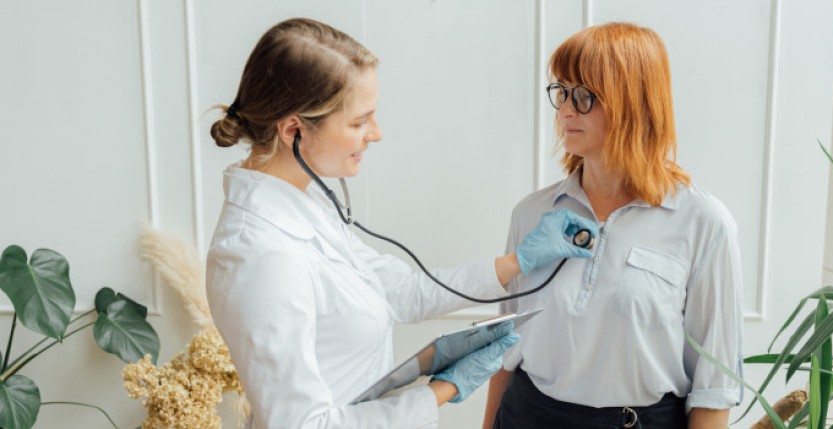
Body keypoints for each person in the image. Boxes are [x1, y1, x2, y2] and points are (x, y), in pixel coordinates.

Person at [205, 18, 596, 429]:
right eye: (359, 122)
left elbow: (404, 293)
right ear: (293, 130)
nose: (376, 134)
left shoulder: (306, 205)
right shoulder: (258, 255)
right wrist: (442, 390)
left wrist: (519, 259)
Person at [483, 22, 743, 429]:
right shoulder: (531, 213)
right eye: (562, 92)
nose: (566, 110)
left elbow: (715, 387)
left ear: (635, 104)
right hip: (527, 416)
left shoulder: (704, 224)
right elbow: (503, 351)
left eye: (585, 96)